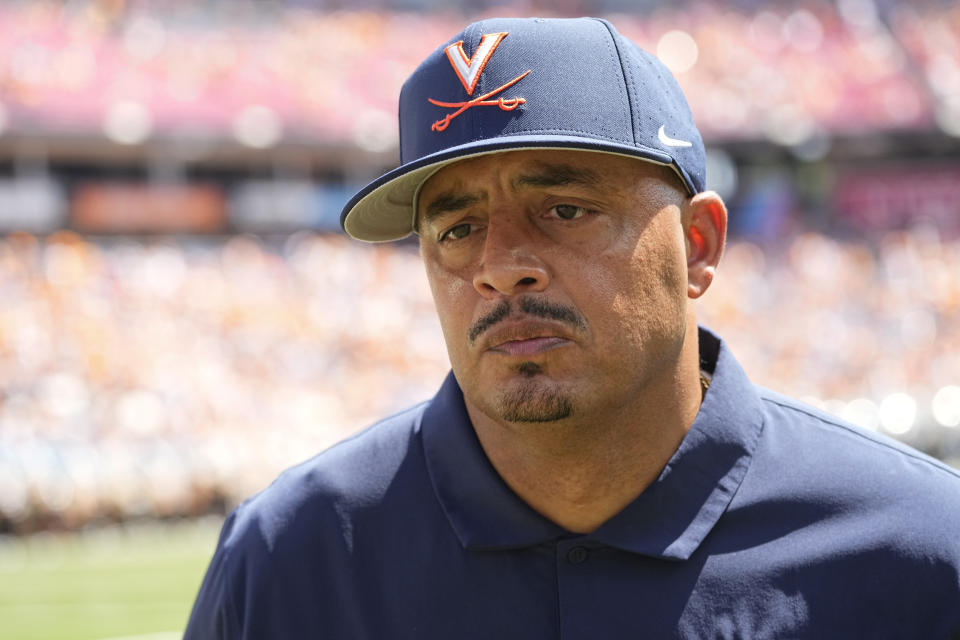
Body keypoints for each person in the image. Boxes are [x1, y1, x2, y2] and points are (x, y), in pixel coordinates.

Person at [184, 17, 960, 638]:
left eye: (565, 209)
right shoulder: (287, 559)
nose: (500, 265)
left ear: (697, 245)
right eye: (456, 229)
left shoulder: (924, 550)